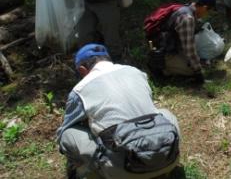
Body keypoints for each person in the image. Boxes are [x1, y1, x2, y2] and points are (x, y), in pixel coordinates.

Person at [57, 43, 180, 179]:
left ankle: (88, 172)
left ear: (82, 70)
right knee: (165, 113)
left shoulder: (80, 90)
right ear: (108, 60)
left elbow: (65, 129)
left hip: (125, 171)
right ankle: (163, 168)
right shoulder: (136, 72)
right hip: (170, 159)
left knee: (67, 134)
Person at [150, 0, 216, 83]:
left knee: (196, 62)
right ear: (204, 8)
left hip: (167, 46)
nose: (207, 14)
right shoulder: (188, 19)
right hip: (165, 54)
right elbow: (189, 49)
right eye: (209, 11)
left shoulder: (186, 7)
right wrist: (198, 72)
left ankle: (169, 65)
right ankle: (163, 70)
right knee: (191, 70)